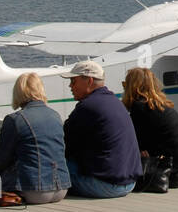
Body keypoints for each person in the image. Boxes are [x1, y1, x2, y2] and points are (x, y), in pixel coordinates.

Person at [0, 72, 70, 205]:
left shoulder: (15, 120)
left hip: (35, 192)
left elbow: (1, 161)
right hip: (61, 189)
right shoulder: (55, 115)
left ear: (18, 92)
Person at [61, 61, 142, 198]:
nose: (70, 86)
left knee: (50, 168)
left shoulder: (88, 107)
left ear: (90, 81)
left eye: (73, 81)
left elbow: (63, 144)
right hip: (129, 183)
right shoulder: (115, 102)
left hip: (105, 185)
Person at [122, 67, 178, 188]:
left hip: (170, 174)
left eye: (125, 84)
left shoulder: (140, 107)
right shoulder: (159, 105)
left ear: (131, 87)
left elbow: (135, 144)